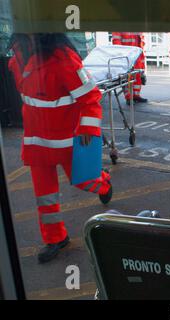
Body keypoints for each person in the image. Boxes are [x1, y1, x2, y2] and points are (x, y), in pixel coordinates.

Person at [8, 33, 113, 264]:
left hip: (70, 140)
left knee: (86, 181)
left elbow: (91, 99)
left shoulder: (63, 58)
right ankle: (56, 237)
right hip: (36, 141)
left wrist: (88, 132)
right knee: (44, 196)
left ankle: (104, 182)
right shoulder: (17, 55)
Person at [111, 32, 148, 104]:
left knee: (137, 76)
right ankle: (129, 97)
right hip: (126, 56)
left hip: (137, 56)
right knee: (128, 77)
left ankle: (136, 95)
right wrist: (122, 55)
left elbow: (141, 41)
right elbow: (116, 43)